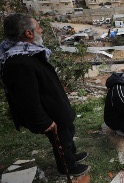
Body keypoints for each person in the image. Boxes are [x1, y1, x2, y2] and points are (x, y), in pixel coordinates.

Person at [0, 13, 89, 176]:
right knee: (60, 141)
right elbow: (25, 98)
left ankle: (72, 156)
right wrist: (43, 121)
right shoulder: (18, 61)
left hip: (56, 106)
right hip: (50, 113)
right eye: (38, 27)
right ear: (29, 33)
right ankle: (67, 168)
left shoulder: (29, 54)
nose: (41, 30)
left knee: (68, 133)